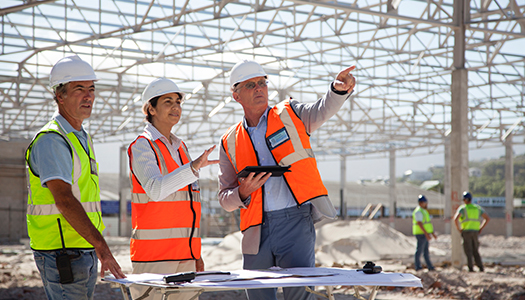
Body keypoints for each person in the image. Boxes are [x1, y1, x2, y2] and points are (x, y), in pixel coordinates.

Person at [218, 60, 356, 300]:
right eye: (251, 85)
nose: (259, 88)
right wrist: (242, 193)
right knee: (259, 296)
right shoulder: (229, 140)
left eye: (262, 83)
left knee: (299, 295)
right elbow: (224, 199)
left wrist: (337, 90)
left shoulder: (290, 113)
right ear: (235, 95)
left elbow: (322, 109)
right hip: (255, 230)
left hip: (295, 222)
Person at [25, 55, 126, 300]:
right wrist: (102, 247)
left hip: (81, 248)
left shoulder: (80, 137)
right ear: (60, 95)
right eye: (79, 89)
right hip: (62, 252)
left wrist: (95, 247)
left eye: (91, 89)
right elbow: (64, 200)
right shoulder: (53, 140)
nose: (88, 96)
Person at [127, 77, 219, 300]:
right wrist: (193, 167)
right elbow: (156, 190)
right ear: (151, 108)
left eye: (178, 102)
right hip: (154, 262)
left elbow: (189, 206)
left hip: (186, 259)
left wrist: (195, 255)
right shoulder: (142, 146)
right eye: (168, 101)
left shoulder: (181, 149)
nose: (176, 107)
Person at [454, 191, 490, 272]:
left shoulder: (463, 208)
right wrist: (480, 228)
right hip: (475, 232)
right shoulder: (477, 208)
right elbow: (487, 218)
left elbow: (455, 219)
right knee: (475, 250)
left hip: (466, 231)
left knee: (468, 251)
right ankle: (481, 267)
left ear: (465, 200)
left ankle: (471, 268)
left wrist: (459, 229)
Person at [412, 194, 436, 271]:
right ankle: (418, 266)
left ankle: (430, 266)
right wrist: (426, 234)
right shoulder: (418, 211)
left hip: (424, 233)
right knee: (419, 250)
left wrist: (432, 233)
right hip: (421, 233)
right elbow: (419, 223)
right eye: (425, 202)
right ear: (421, 203)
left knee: (425, 251)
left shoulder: (424, 211)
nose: (426, 204)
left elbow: (427, 224)